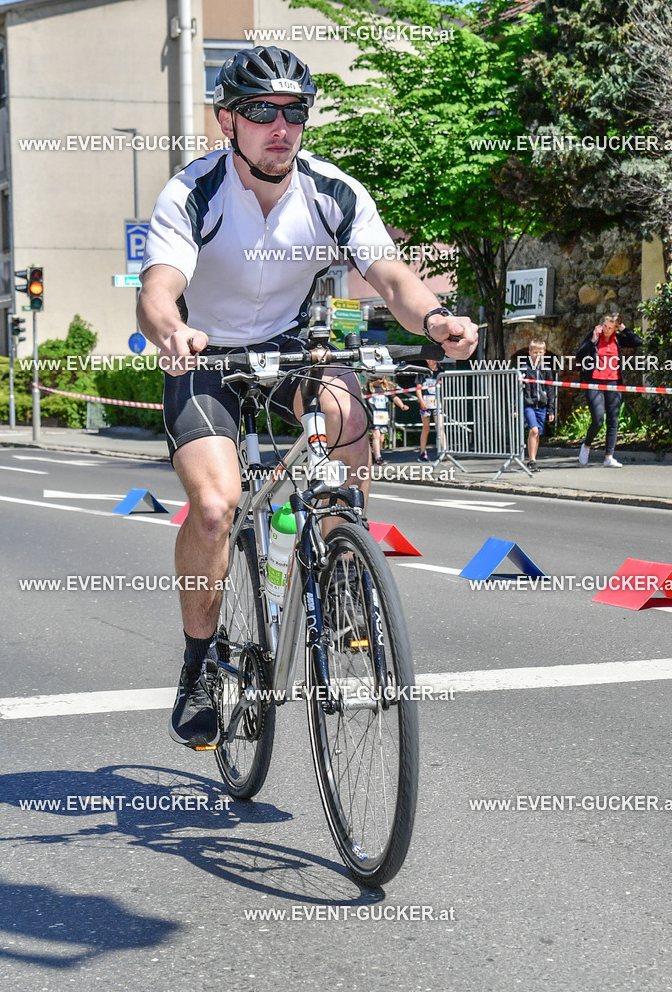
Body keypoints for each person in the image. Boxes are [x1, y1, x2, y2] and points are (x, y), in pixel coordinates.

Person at [137, 46, 478, 750]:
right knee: (213, 507)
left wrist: (436, 319)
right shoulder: (192, 190)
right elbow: (159, 288)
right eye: (262, 112)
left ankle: (339, 559)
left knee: (349, 413)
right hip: (205, 356)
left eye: (294, 112)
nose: (280, 126)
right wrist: (170, 331)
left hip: (291, 347)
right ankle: (199, 663)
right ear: (228, 119)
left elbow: (388, 277)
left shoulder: (333, 189)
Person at [575, 313, 643, 468]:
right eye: (605, 325)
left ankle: (608, 457)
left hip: (614, 381)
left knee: (613, 419)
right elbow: (580, 355)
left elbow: (638, 342)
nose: (606, 329)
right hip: (594, 381)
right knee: (598, 419)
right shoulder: (595, 336)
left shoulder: (618, 339)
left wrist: (624, 329)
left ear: (615, 329)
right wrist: (592, 340)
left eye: (610, 327)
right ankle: (586, 446)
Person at [523, 339, 555, 472]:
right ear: (530, 353)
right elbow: (516, 389)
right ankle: (531, 460)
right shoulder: (524, 368)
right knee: (533, 430)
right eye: (535, 352)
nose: (538, 355)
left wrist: (551, 409)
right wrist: (515, 408)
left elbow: (551, 390)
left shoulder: (546, 370)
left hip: (541, 405)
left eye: (540, 353)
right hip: (528, 404)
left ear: (544, 353)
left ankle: (533, 459)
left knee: (537, 434)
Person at [365, 376, 408, 464]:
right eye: (378, 376)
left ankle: (373, 452)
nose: (381, 378)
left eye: (382, 376)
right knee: (376, 436)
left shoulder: (385, 389)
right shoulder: (367, 389)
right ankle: (378, 458)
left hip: (382, 417)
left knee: (381, 439)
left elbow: (394, 398)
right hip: (373, 417)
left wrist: (402, 405)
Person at [415, 359, 443, 462]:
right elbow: (418, 387)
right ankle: (422, 452)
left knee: (439, 426)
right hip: (426, 403)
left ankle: (444, 450)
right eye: (428, 358)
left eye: (433, 358)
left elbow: (443, 389)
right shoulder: (422, 372)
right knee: (426, 427)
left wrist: (443, 404)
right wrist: (421, 400)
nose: (431, 360)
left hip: (437, 403)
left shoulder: (440, 372)